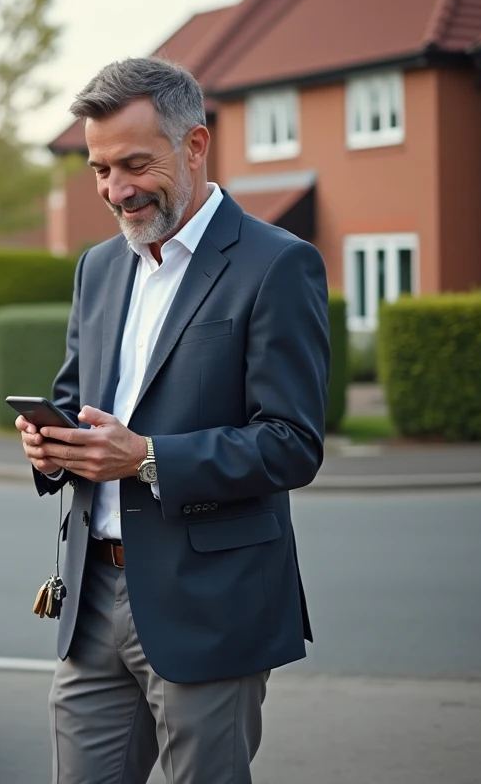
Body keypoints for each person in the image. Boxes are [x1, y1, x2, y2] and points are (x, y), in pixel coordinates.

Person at [17, 56, 329, 784]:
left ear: (195, 145)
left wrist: (147, 457)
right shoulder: (98, 267)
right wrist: (50, 446)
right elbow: (77, 399)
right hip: (90, 599)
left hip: (210, 605)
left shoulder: (278, 264)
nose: (115, 190)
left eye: (134, 164)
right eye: (100, 169)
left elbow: (292, 444)